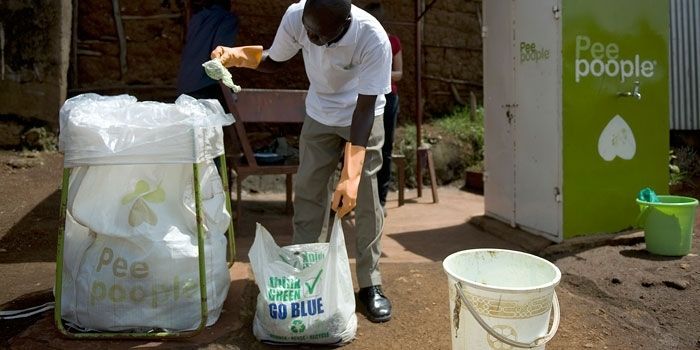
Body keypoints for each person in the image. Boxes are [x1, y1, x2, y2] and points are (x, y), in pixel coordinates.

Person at [211, 0, 393, 322]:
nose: (310, 39)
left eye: (319, 35)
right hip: (319, 113)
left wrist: (349, 177)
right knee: (309, 193)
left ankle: (370, 284)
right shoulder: (299, 17)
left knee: (365, 199)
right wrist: (237, 56)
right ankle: (305, 274)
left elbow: (365, 109)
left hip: (362, 115)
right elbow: (276, 60)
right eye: (308, 31)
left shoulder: (372, 38)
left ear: (343, 25)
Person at [364, 2, 402, 217]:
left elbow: (399, 73)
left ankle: (380, 201)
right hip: (364, 96)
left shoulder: (392, 41)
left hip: (387, 98)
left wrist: (379, 74)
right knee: (358, 148)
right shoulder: (360, 42)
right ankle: (358, 199)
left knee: (384, 150)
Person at [177, 0, 239, 110]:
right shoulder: (227, 19)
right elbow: (220, 55)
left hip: (186, 84)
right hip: (206, 86)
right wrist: (229, 90)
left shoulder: (197, 18)